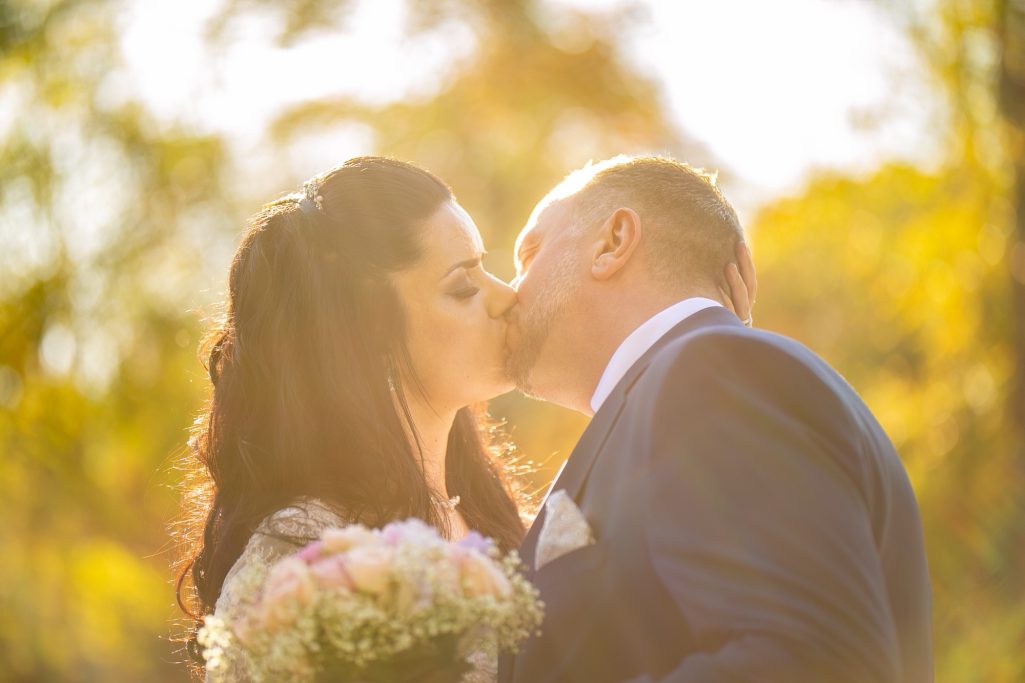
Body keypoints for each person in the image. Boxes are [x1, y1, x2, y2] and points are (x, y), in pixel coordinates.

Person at [499, 155, 933, 683]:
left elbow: (813, 660)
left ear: (612, 242)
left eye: (529, 254)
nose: (508, 291)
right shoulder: (696, 382)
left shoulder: (712, 375)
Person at [175, 156, 526, 682]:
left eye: (486, 267)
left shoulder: (492, 511)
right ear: (368, 337)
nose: (506, 295)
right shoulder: (303, 560)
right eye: (463, 286)